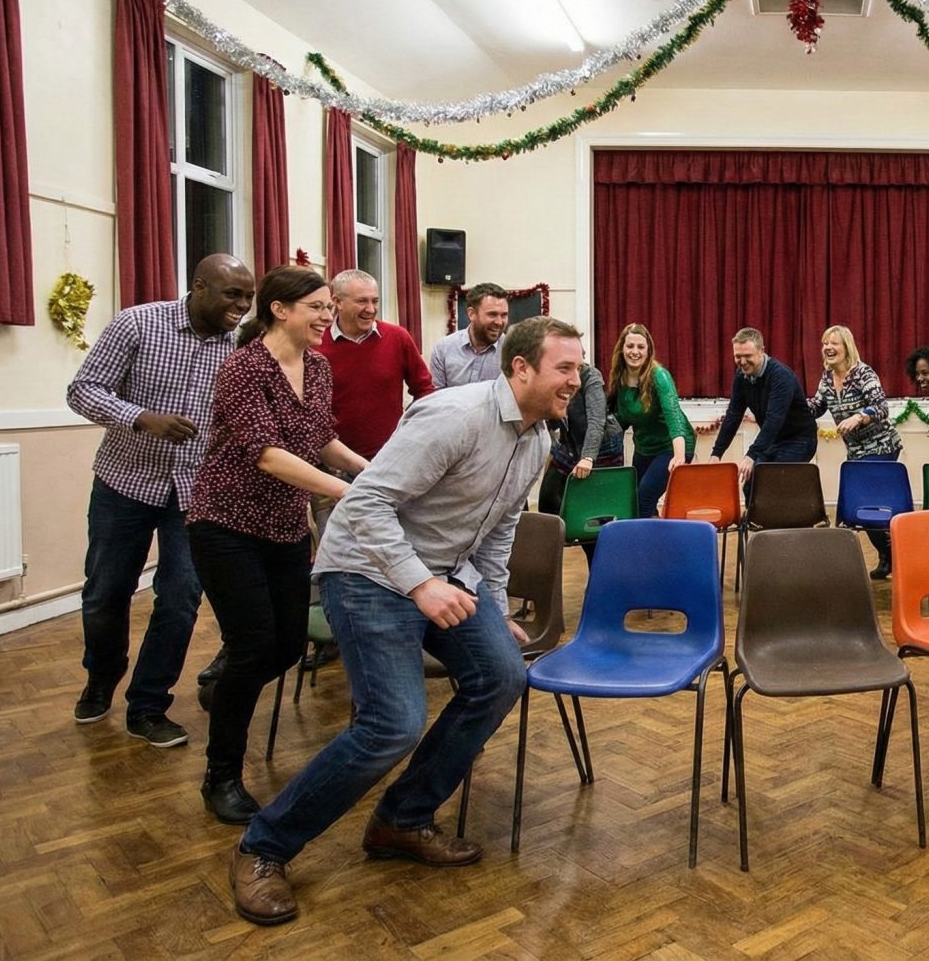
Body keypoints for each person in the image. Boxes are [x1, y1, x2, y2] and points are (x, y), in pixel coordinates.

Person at [228, 317, 584, 926]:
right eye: (565, 368)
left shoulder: (536, 440)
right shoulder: (455, 415)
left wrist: (493, 605)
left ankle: (401, 819)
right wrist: (419, 584)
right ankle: (263, 847)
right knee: (393, 723)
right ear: (520, 368)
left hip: (438, 576)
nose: (576, 380)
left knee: (502, 677)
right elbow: (365, 503)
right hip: (366, 571)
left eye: (579, 369)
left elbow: (497, 531)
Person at [186, 266, 369, 825]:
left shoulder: (317, 368)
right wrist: (347, 492)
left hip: (285, 528)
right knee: (253, 644)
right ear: (280, 310)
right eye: (316, 306)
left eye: (327, 307)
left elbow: (323, 440)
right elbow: (265, 453)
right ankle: (221, 774)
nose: (326, 316)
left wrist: (375, 474)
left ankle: (227, 686)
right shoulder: (242, 368)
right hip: (225, 525)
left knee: (288, 644)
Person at [65, 253, 255, 746]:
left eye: (249, 297)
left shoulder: (239, 346)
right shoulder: (137, 323)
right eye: (232, 295)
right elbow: (82, 390)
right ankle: (102, 674)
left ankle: (148, 705)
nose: (241, 306)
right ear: (199, 286)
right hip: (123, 482)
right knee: (105, 593)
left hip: (194, 493)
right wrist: (141, 417)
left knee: (180, 598)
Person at [806, 325, 904, 579]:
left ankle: (894, 555)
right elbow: (815, 408)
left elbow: (881, 407)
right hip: (856, 453)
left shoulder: (863, 374)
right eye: (824, 343)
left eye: (833, 343)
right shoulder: (827, 379)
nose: (827, 347)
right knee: (861, 507)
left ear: (846, 347)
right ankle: (888, 555)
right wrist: (790, 402)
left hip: (881, 448)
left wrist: (859, 417)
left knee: (869, 506)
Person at [313, 270, 435, 462]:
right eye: (362, 301)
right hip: (333, 463)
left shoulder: (397, 337)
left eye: (375, 301)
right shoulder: (315, 344)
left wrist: (412, 430)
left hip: (390, 458)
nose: (370, 309)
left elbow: (425, 390)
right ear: (337, 302)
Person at [606, 324, 695, 519]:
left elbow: (674, 416)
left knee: (644, 497)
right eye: (630, 346)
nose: (634, 352)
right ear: (622, 348)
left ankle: (652, 546)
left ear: (648, 351)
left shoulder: (659, 376)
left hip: (672, 446)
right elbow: (621, 417)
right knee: (636, 501)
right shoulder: (619, 378)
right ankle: (654, 540)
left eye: (640, 347)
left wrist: (679, 456)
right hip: (645, 446)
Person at [708, 327, 817, 484]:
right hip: (773, 440)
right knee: (750, 483)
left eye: (747, 356)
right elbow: (733, 415)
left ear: (761, 351)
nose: (742, 362)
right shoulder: (741, 377)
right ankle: (751, 510)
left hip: (799, 440)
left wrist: (751, 455)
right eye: (738, 356)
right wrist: (716, 454)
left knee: (772, 481)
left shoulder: (780, 376)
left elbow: (774, 420)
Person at [535, 362, 613, 532]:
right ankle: (552, 553)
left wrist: (587, 457)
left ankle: (596, 556)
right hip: (569, 445)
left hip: (602, 449)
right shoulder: (551, 374)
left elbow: (596, 421)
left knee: (592, 519)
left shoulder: (591, 375)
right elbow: (551, 420)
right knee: (548, 503)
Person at [427, 283, 509, 389]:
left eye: (504, 315)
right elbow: (436, 397)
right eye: (492, 314)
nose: (499, 322)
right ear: (472, 314)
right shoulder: (443, 349)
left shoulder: (513, 351)